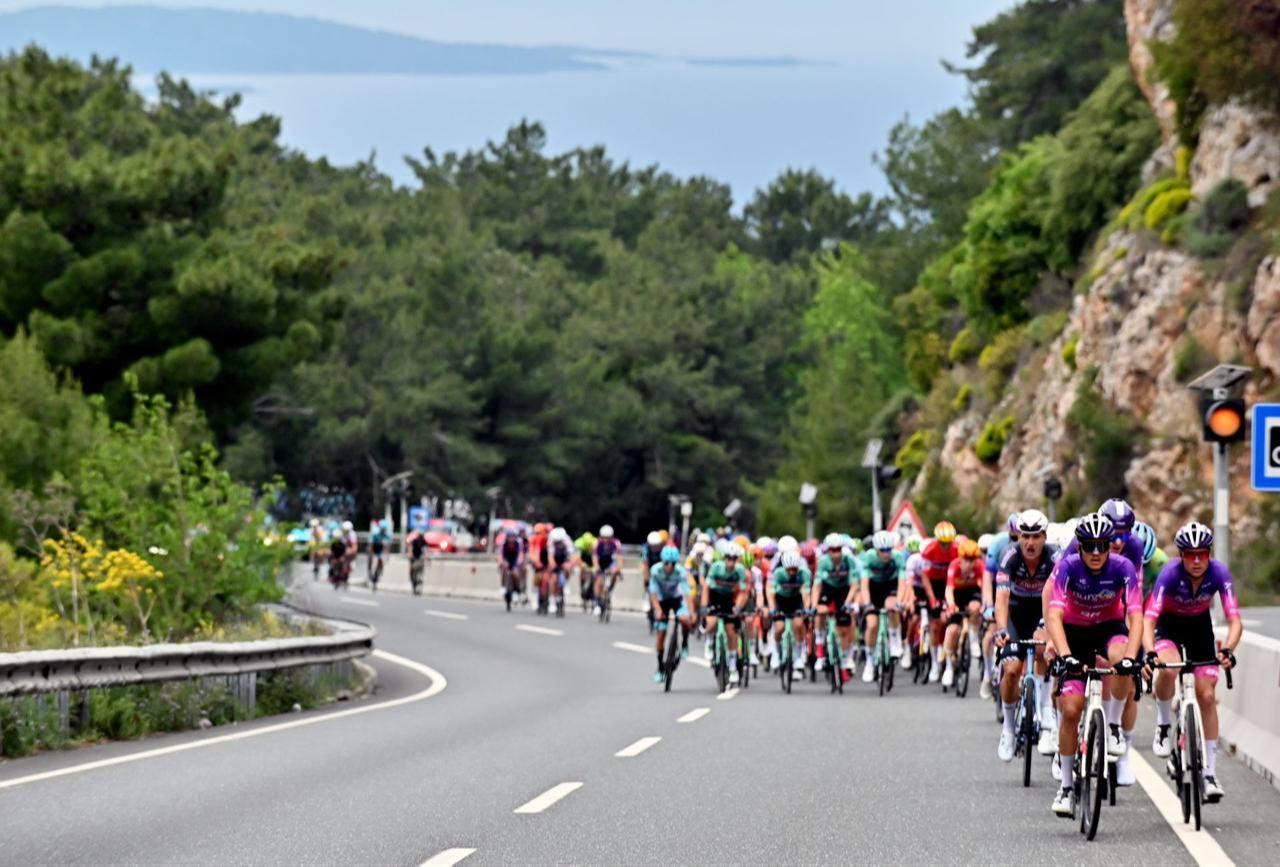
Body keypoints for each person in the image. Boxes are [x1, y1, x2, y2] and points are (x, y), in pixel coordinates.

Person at [1044, 512, 1143, 818]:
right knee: (1071, 709)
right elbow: (1055, 613)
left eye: (1103, 546)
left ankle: (1112, 727)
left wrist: (1132, 655)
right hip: (1074, 634)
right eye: (1090, 547)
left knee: (1123, 661)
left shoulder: (1123, 566)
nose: (1097, 553)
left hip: (1109, 628)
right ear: (1080, 547)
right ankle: (1067, 786)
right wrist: (1064, 653)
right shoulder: (1069, 567)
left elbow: (1136, 615)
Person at [1143, 521, 1242, 802]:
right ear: (1181, 555)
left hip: (1200, 629)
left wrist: (1229, 650)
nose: (1197, 560)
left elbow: (1235, 619)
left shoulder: (1219, 573)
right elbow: (1150, 618)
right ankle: (1164, 724)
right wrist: (1150, 652)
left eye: (1202, 554)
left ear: (1209, 554)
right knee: (1169, 669)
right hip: (1169, 627)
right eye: (1190, 554)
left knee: (1207, 695)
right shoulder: (1169, 574)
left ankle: (1209, 772)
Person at [992, 509, 1059, 761]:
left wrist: (1055, 632)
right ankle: (1008, 727)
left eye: (1036, 536)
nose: (1030, 543)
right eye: (1025, 536)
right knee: (1010, 669)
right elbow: (1002, 597)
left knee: (1043, 647)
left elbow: (1060, 597)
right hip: (1015, 614)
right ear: (1018, 537)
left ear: (1045, 537)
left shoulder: (1055, 557)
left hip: (1043, 611)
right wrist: (1000, 629)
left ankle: (1044, 716)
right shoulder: (1008, 555)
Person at [858, 530, 906, 682]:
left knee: (892, 606)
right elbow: (864, 585)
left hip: (890, 587)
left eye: (889, 549)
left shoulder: (898, 557)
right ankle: (870, 662)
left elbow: (902, 583)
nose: (887, 553)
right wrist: (867, 604)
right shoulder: (868, 558)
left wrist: (899, 602)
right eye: (883, 550)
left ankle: (895, 639)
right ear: (877, 550)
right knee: (872, 625)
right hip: (873, 588)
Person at [942, 538, 988, 688]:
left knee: (976, 607)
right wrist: (951, 605)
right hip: (957, 595)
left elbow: (984, 588)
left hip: (972, 593)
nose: (969, 564)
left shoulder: (980, 566)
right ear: (960, 558)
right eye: (966, 560)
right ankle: (949, 666)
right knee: (953, 630)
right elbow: (949, 589)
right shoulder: (954, 566)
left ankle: (974, 637)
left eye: (972, 560)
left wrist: (985, 605)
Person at [812, 532, 860, 677]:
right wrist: (814, 605)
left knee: (845, 625)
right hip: (828, 589)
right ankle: (820, 646)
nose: (836, 553)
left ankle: (847, 656)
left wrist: (848, 603)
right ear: (827, 550)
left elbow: (854, 585)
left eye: (838, 549)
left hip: (844, 591)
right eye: (832, 550)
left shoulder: (848, 560)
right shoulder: (823, 562)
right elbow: (817, 585)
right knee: (820, 612)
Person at [702, 542, 748, 683]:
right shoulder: (716, 568)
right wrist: (704, 606)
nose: (731, 561)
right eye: (728, 558)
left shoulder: (740, 570)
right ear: (724, 558)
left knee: (730, 631)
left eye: (734, 558)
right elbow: (706, 587)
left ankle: (733, 665)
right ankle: (709, 642)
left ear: (737, 559)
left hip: (729, 599)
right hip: (715, 596)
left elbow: (743, 592)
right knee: (711, 623)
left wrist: (738, 607)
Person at [920, 522, 960, 682]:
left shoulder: (957, 549)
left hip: (951, 584)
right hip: (934, 585)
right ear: (937, 540)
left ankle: (952, 655)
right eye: (942, 543)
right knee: (935, 625)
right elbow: (924, 578)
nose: (945, 546)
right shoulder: (929, 551)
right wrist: (932, 598)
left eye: (948, 543)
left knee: (950, 621)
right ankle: (936, 664)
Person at [649, 546, 694, 683]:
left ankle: (685, 643)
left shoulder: (680, 572)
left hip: (677, 599)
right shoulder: (656, 571)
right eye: (667, 563)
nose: (670, 566)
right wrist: (657, 610)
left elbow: (687, 594)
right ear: (662, 562)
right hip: (662, 601)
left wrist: (691, 612)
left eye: (673, 563)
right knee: (661, 633)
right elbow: (653, 593)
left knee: (685, 619)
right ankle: (660, 668)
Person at [768, 551, 812, 672]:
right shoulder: (778, 573)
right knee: (779, 628)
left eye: (794, 569)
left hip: (796, 601)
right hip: (781, 601)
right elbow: (771, 593)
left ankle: (798, 656)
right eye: (789, 570)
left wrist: (807, 609)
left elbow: (806, 593)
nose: (792, 572)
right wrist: (772, 608)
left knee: (798, 624)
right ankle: (776, 653)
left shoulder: (804, 573)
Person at [593, 525, 623, 613]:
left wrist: (618, 568)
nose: (606, 540)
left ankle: (610, 591)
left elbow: (619, 557)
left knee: (614, 574)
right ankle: (597, 603)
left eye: (608, 538)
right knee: (598, 581)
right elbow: (594, 557)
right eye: (604, 537)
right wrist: (597, 567)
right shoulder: (597, 542)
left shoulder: (616, 542)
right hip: (601, 563)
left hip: (610, 562)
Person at [368, 519, 390, 590]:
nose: (383, 530)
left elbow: (387, 547)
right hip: (374, 551)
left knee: (382, 562)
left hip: (381, 551)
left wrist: (387, 556)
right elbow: (371, 545)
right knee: (374, 563)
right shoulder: (375, 534)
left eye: (384, 529)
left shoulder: (387, 535)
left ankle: (380, 572)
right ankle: (371, 573)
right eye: (382, 529)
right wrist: (371, 553)